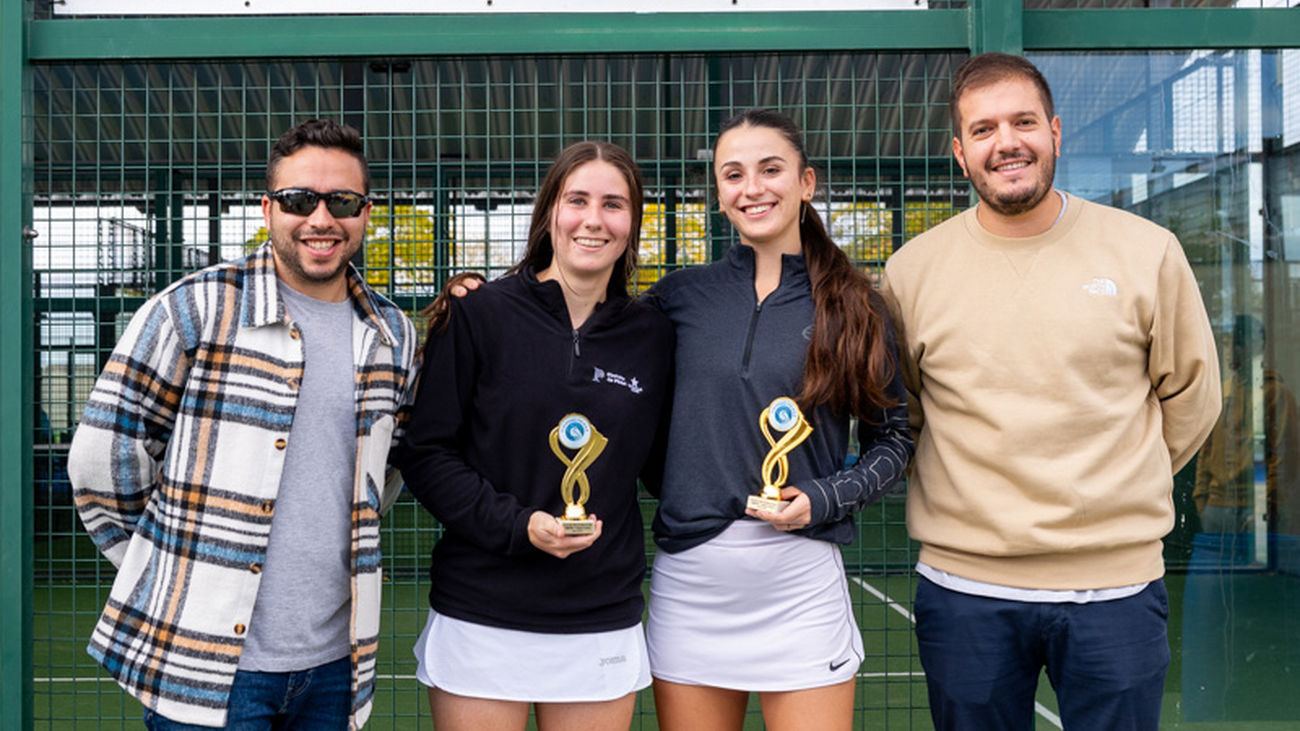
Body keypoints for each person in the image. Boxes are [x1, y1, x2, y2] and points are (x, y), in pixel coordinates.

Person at [880, 52, 1221, 731]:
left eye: (1023, 122)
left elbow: (1193, 396)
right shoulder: (911, 271)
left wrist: (1115, 490)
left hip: (1117, 591)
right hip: (965, 591)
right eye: (983, 129)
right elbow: (908, 414)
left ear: (1056, 133)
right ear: (960, 151)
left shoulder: (1146, 251)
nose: (1006, 142)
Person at [68, 119, 418, 730]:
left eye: (342, 201)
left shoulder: (391, 334)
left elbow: (383, 475)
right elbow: (103, 456)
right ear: (268, 208)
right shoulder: (194, 308)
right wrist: (162, 563)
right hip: (205, 664)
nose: (321, 219)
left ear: (366, 211)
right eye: (298, 200)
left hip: (336, 664)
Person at [643, 109, 913, 731]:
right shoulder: (677, 297)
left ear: (806, 182)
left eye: (771, 169)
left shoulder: (856, 304)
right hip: (691, 583)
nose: (753, 188)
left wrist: (822, 498)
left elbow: (893, 439)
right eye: (733, 174)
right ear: (718, 194)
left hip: (800, 584)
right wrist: (481, 297)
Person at [392, 141, 674, 731]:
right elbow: (426, 454)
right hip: (482, 610)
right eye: (577, 200)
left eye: (614, 205)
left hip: (600, 612)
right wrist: (518, 526)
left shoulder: (653, 334)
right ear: (550, 213)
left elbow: (661, 465)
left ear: (633, 224)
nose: (593, 219)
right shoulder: (478, 314)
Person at [1194, 314, 1300, 535]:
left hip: (1254, 508)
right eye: (1227, 343)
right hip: (1216, 507)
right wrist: (1202, 499)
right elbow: (1206, 450)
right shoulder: (1221, 392)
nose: (1231, 351)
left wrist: (1267, 505)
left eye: (1238, 343)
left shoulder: (1276, 394)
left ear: (1256, 346)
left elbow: (1285, 457)